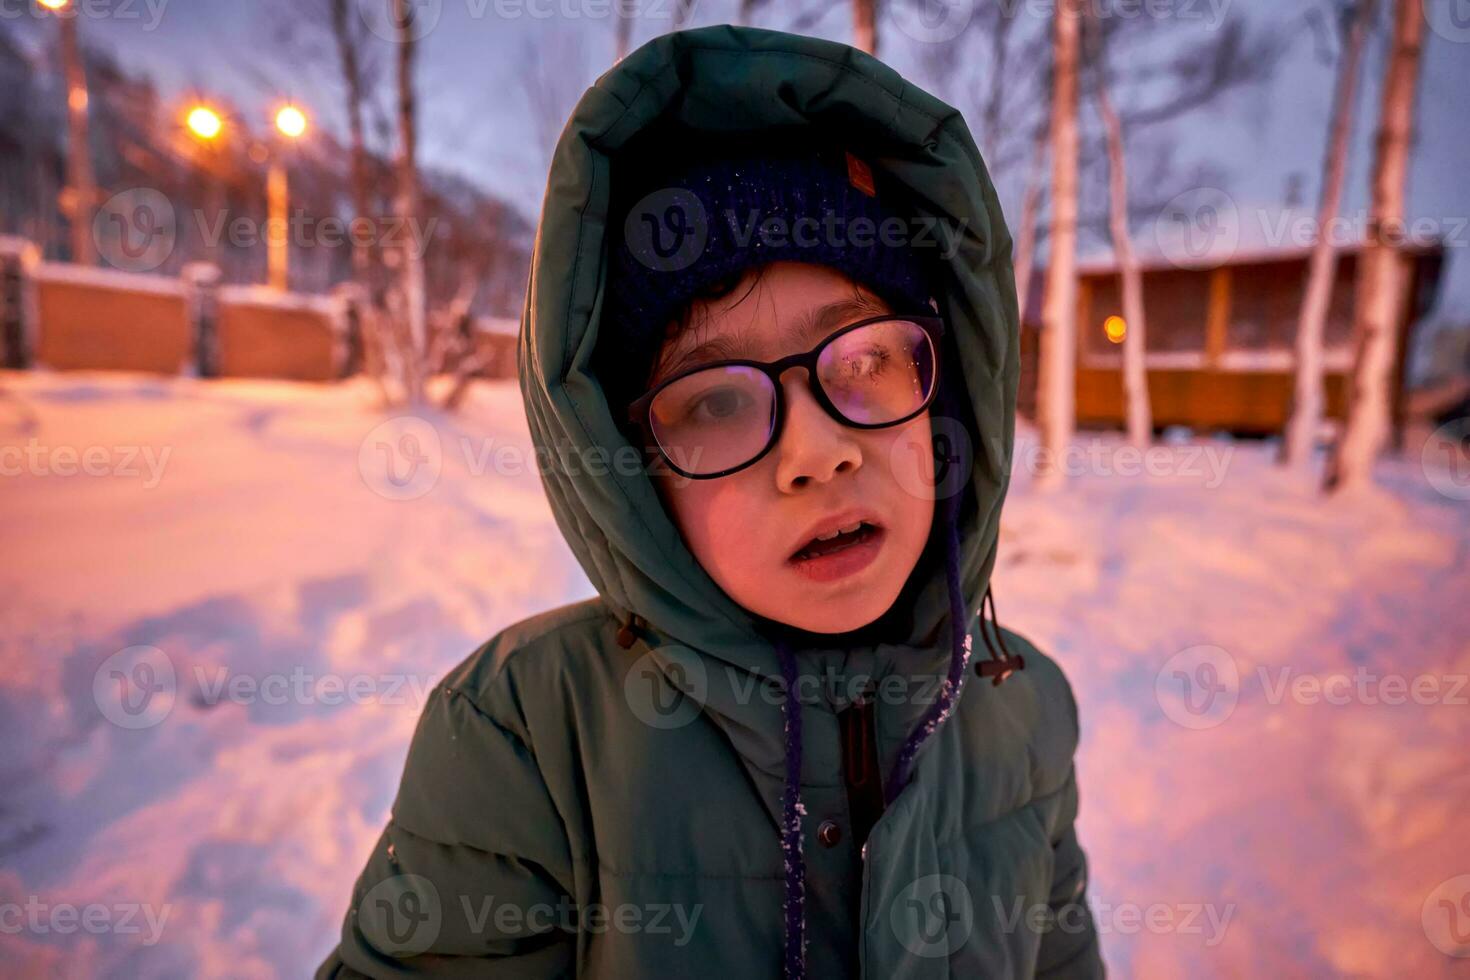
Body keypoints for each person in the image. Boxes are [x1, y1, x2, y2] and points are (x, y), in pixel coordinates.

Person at [318, 24, 1102, 979]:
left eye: (865, 361)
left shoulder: (1021, 706)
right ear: (631, 468)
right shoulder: (528, 734)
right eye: (718, 403)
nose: (816, 455)